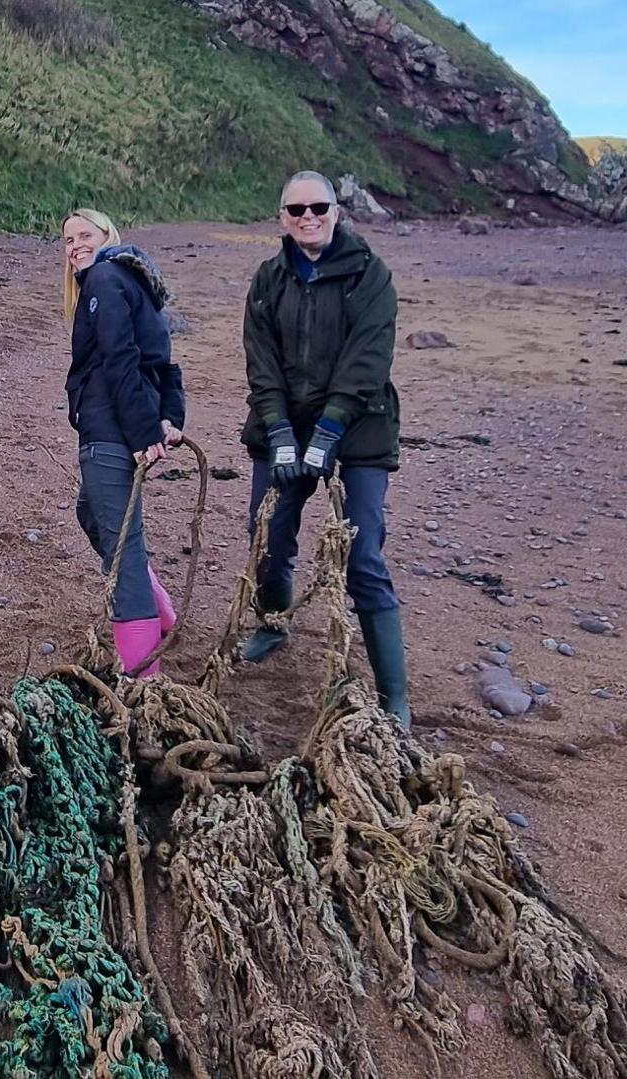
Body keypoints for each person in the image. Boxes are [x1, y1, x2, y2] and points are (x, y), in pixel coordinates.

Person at [237, 171, 411, 727]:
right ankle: (273, 622)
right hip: (285, 424)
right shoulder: (268, 279)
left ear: (337, 211)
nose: (307, 218)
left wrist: (330, 433)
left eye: (318, 208)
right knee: (266, 534)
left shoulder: (371, 274)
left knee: (362, 553)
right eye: (295, 210)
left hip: (358, 428)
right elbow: (260, 363)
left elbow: (368, 360)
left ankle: (394, 697)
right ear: (281, 217)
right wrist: (281, 433)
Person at [61, 208, 187, 677]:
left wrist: (142, 433)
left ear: (108, 236)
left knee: (124, 553)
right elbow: (165, 366)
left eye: (84, 235)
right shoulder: (137, 282)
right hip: (122, 427)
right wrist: (168, 418)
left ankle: (144, 684)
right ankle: (163, 614)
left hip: (112, 432)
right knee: (91, 514)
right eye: (67, 239)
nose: (74, 245)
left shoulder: (106, 278)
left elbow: (121, 358)